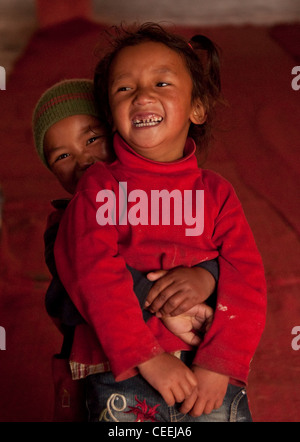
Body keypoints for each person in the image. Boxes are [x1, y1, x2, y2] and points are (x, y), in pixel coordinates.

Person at [53, 25, 267, 421]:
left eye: (162, 82)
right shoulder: (100, 188)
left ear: (197, 108)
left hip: (207, 366)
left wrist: (220, 362)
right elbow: (93, 273)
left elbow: (247, 278)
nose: (143, 96)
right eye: (124, 89)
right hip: (126, 371)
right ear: (111, 117)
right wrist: (145, 357)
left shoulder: (216, 193)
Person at [32, 78, 218, 420]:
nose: (84, 159)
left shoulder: (165, 199)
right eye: (62, 156)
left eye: (92, 139)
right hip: (111, 369)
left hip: (188, 362)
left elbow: (209, 248)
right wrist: (161, 301)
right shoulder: (63, 226)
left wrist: (204, 277)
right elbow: (84, 289)